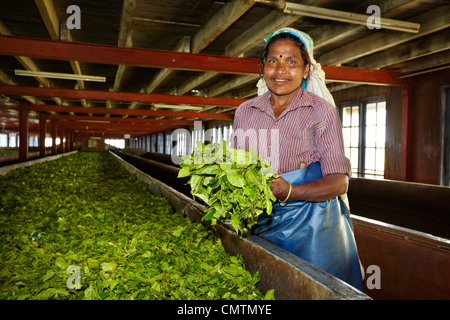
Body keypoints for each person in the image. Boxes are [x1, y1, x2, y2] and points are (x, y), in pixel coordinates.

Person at [231, 28, 365, 292]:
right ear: (262, 68)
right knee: (269, 289)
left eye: (291, 61)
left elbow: (339, 184)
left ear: (306, 70)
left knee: (313, 290)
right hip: (261, 223)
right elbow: (238, 170)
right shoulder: (245, 112)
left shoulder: (321, 111)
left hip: (313, 228)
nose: (281, 69)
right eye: (273, 60)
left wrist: (290, 190)